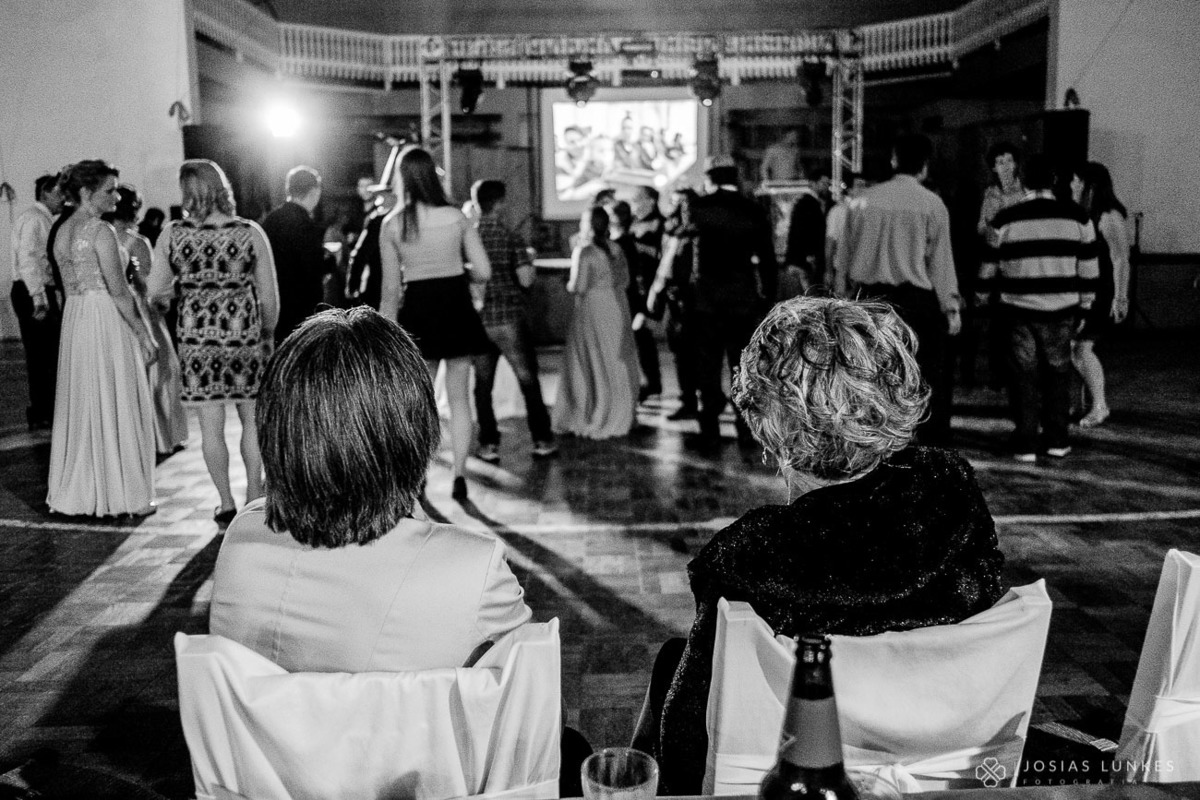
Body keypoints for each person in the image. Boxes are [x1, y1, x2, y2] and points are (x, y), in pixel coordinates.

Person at [631, 296, 1005, 794]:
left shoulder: (752, 558)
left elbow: (685, 745)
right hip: (948, 762)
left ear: (766, 419)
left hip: (800, 779)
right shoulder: (952, 494)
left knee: (670, 664)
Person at [210, 307, 532, 672]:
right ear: (417, 431)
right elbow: (531, 700)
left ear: (279, 429)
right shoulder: (474, 569)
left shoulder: (241, 543)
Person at [150, 159, 279, 523]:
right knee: (253, 421)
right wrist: (267, 333)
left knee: (210, 426)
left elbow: (155, 290)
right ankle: (254, 492)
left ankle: (224, 502)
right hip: (244, 337)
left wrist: (181, 292)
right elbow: (269, 297)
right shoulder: (249, 232)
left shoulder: (173, 234)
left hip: (197, 342)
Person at [378, 146, 492, 502]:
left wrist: (386, 338)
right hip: (455, 305)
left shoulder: (393, 224)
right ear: (432, 175)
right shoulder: (456, 217)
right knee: (459, 398)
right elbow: (485, 271)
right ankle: (459, 476)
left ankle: (421, 475)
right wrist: (460, 273)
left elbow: (390, 291)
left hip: (418, 312)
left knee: (420, 401)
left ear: (401, 178)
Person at [47, 160, 157, 517]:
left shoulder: (61, 230)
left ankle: (83, 488)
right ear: (85, 192)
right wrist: (144, 334)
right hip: (104, 317)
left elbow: (65, 286)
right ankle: (120, 492)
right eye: (109, 189)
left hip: (76, 318)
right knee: (115, 396)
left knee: (85, 400)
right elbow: (120, 291)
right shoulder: (100, 231)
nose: (116, 195)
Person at [835, 133, 961, 446]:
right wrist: (951, 307)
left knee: (869, 375)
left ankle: (871, 439)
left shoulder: (860, 202)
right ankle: (929, 443)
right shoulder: (933, 204)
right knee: (928, 375)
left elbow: (843, 261)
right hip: (916, 303)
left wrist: (840, 301)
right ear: (925, 166)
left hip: (869, 301)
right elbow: (941, 263)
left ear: (894, 160)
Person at [976, 154, 1099, 461]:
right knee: (1058, 374)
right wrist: (1085, 307)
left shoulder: (1005, 218)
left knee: (1023, 377)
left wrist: (980, 294)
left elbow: (988, 267)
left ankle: (1025, 443)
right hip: (1062, 310)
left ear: (1025, 181)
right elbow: (1089, 270)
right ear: (1055, 181)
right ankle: (1057, 440)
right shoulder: (1079, 218)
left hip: (1018, 310)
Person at [667, 155, 776, 450]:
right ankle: (745, 430)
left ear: (710, 178)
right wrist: (768, 298)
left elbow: (681, 252)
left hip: (704, 303)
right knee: (743, 367)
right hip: (742, 301)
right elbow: (767, 259)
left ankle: (710, 431)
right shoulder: (753, 209)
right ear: (735, 176)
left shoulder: (697, 207)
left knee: (707, 368)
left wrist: (677, 292)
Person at [468, 179, 556, 462]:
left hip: (479, 321)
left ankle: (489, 444)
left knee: (482, 386)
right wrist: (529, 260)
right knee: (528, 381)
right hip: (509, 319)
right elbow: (525, 279)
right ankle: (542, 440)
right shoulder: (510, 237)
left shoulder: (467, 238)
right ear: (500, 203)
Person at [102, 184, 187, 455]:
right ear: (134, 209)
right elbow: (151, 285)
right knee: (164, 371)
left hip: (115, 312)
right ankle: (164, 437)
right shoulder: (137, 242)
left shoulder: (104, 236)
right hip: (142, 311)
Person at [552, 205, 639, 439]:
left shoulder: (585, 252)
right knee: (612, 360)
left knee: (589, 360)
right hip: (615, 306)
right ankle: (619, 409)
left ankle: (592, 411)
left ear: (588, 225)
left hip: (592, 308)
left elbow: (577, 287)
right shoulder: (616, 248)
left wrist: (567, 281)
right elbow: (626, 280)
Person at [1072, 161, 1130, 428]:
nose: (1072, 185)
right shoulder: (1089, 215)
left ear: (1089, 185)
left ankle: (1099, 406)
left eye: (1076, 181)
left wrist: (1120, 298)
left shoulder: (1108, 217)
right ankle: (1089, 403)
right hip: (1091, 291)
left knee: (1082, 349)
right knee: (1078, 349)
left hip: (1101, 293)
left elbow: (1120, 260)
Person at [10, 173, 65, 431]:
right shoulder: (35, 218)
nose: (63, 199)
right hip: (32, 291)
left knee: (43, 354)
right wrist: (39, 299)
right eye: (59, 193)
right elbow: (28, 259)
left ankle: (44, 409)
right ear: (45, 193)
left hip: (34, 290)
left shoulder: (40, 218)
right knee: (42, 354)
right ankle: (42, 411)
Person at [974, 142, 1026, 390]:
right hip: (995, 260)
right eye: (999, 162)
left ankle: (1015, 374)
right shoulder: (990, 193)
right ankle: (997, 375)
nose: (1004, 166)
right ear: (993, 167)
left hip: (1019, 262)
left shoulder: (1025, 192)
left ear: (1016, 163)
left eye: (1008, 160)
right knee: (997, 321)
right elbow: (981, 228)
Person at [647, 188, 701, 420]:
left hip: (698, 297)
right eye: (679, 204)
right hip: (678, 297)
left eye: (687, 204)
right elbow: (665, 266)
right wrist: (657, 290)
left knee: (698, 352)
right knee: (681, 350)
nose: (683, 209)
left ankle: (702, 399)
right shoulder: (673, 233)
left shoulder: (700, 231)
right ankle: (688, 399)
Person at [262, 165, 327, 345]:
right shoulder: (306, 225)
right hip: (302, 310)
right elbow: (313, 271)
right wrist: (330, 262)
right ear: (314, 191)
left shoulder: (270, 221)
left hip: (275, 306)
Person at [610, 200, 662, 401]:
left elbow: (635, 274)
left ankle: (646, 384)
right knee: (641, 341)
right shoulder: (624, 241)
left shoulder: (624, 243)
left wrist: (642, 306)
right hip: (631, 297)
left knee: (639, 341)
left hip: (630, 298)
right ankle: (650, 383)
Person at [345, 188, 396, 310]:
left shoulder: (377, 220)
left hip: (378, 287)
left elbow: (360, 254)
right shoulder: (409, 218)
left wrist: (353, 285)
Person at [782, 178, 827, 293]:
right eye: (823, 183)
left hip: (798, 260)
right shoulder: (810, 204)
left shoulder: (803, 202)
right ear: (813, 183)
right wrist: (811, 254)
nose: (826, 186)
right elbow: (811, 233)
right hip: (805, 261)